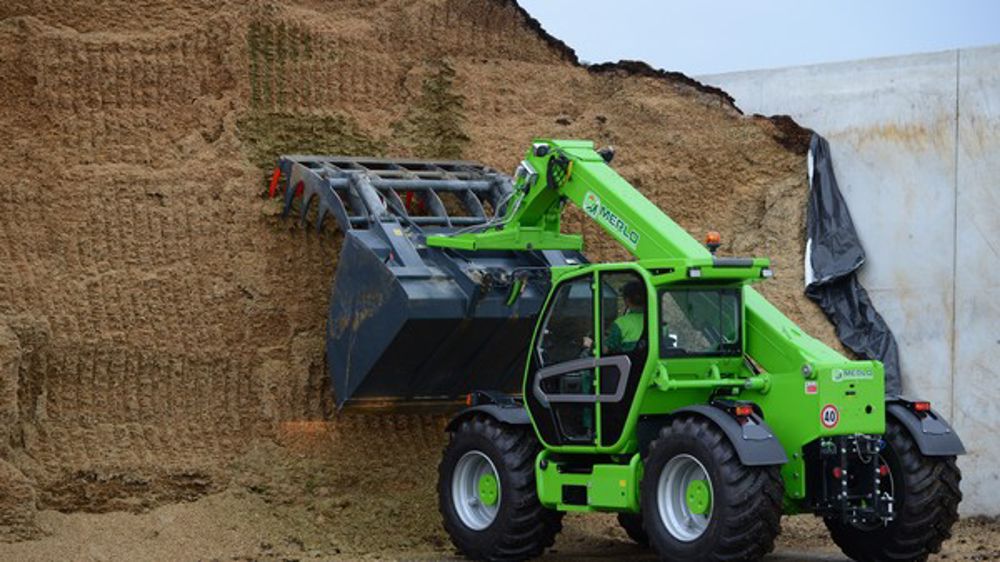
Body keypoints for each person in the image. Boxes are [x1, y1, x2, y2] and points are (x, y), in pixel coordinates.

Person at [605, 281, 646, 354]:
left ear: (627, 300)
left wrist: (591, 345)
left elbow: (606, 350)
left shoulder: (620, 324)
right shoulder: (659, 321)